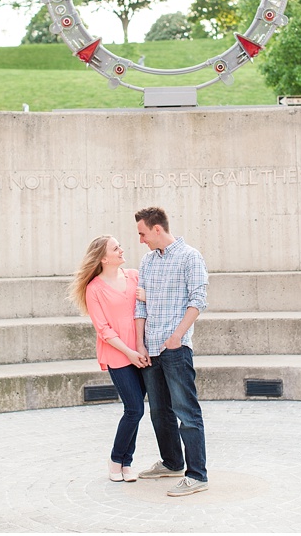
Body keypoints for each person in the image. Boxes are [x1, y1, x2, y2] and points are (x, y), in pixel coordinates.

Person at [133, 206, 210, 496]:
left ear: (157, 229)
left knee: (186, 412)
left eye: (142, 233)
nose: (141, 239)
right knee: (159, 412)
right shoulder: (147, 261)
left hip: (175, 347)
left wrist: (177, 336)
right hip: (150, 347)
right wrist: (139, 343)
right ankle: (172, 462)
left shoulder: (190, 256)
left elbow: (198, 300)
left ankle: (197, 475)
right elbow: (140, 305)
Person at [68, 235, 149, 482]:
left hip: (141, 350)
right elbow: (103, 329)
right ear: (103, 258)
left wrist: (147, 298)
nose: (121, 250)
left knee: (137, 410)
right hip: (118, 354)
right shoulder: (94, 289)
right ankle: (116, 460)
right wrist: (129, 353)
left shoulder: (134, 276)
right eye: (116, 248)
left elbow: (147, 307)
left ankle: (127, 463)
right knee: (134, 408)